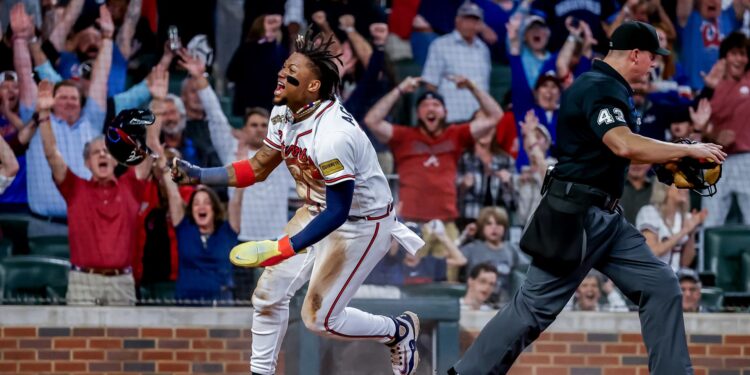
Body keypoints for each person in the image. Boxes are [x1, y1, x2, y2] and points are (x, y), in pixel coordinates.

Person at [449, 21, 727, 375]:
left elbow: (616, 153)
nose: (656, 64)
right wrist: (687, 151)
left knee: (661, 285)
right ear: (636, 54)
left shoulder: (613, 88)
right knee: (533, 309)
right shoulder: (599, 87)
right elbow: (622, 143)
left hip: (607, 218)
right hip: (575, 214)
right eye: (653, 57)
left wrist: (667, 159)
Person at [169, 29, 424, 375]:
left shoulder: (333, 135)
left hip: (360, 224)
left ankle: (398, 330)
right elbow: (258, 167)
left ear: (314, 87)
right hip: (316, 210)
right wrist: (199, 175)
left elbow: (339, 211)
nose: (281, 73)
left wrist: (285, 247)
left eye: (292, 71)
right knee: (267, 296)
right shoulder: (284, 112)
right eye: (284, 67)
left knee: (318, 319)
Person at [364, 76, 503, 279]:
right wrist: (401, 88)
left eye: (436, 104)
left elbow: (495, 116)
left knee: (448, 281)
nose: (431, 108)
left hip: (445, 225)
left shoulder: (456, 134)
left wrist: (473, 86)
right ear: (418, 112)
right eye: (425, 105)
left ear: (445, 112)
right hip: (411, 225)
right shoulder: (404, 136)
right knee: (412, 282)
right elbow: (372, 120)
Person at [36, 79, 152, 305]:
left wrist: (155, 100)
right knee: (80, 341)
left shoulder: (131, 188)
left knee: (123, 341)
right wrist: (43, 114)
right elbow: (51, 154)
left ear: (116, 160)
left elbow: (149, 153)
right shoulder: (75, 188)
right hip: (83, 282)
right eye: (96, 153)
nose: (102, 155)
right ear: (87, 163)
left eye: (107, 152)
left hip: (122, 283)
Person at [701, 32, 750, 226]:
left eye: (744, 54)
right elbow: (698, 127)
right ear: (725, 57)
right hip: (715, 158)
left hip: (746, 158)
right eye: (735, 53)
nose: (740, 59)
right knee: (709, 220)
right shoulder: (712, 86)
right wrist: (714, 136)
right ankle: (706, 257)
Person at [420, 1, 491, 123]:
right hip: (451, 120)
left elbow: (485, 85)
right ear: (457, 20)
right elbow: (430, 84)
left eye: (474, 21)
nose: (471, 24)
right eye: (467, 19)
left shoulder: (483, 49)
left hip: (479, 121)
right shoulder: (440, 45)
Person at [460, 206, 528, 305]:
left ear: (505, 227)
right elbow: (451, 258)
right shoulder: (472, 248)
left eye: (499, 223)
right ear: (482, 227)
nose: (494, 228)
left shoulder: (511, 249)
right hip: (475, 303)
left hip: (503, 304)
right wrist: (465, 235)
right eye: (489, 224)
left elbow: (526, 270)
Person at [564, 270, 629, 312]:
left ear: (599, 292)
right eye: (584, 285)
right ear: (577, 292)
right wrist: (571, 289)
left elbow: (624, 314)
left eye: (594, 285)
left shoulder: (606, 311)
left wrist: (611, 292)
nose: (589, 289)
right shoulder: (568, 310)